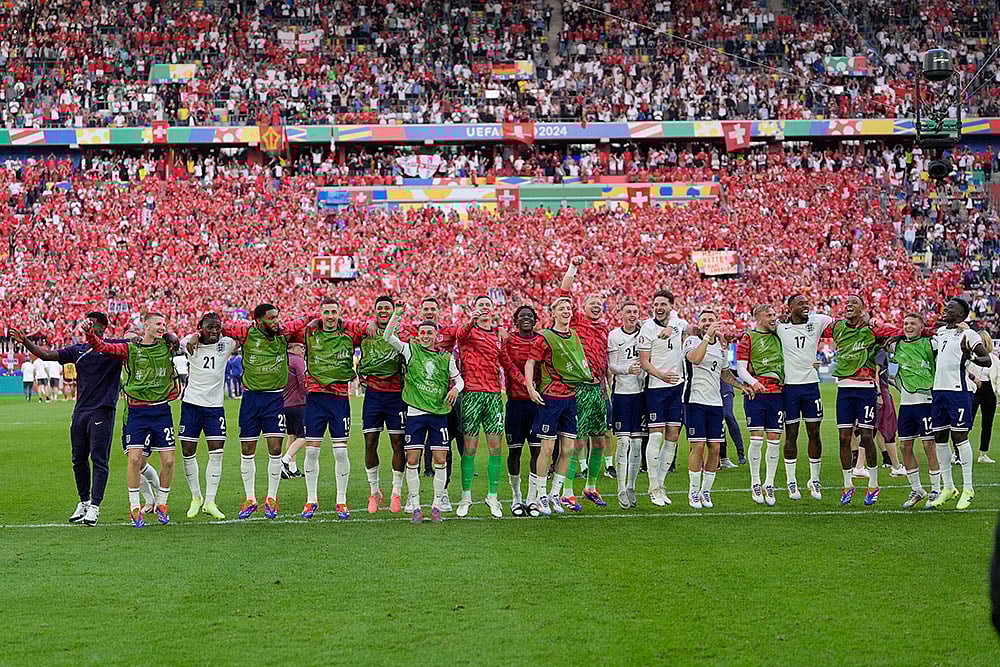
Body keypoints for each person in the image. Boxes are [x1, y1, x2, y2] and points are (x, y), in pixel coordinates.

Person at [10, 313, 131, 526]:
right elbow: (47, 355)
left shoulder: (114, 348)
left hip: (103, 409)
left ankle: (95, 506)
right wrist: (26, 342)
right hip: (81, 411)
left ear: (102, 327)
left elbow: (133, 344)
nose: (87, 326)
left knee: (99, 460)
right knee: (78, 459)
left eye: (92, 324)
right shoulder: (78, 350)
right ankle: (83, 502)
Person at [85, 312, 182, 528]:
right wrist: (89, 334)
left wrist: (173, 337)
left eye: (164, 324)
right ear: (146, 326)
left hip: (161, 411)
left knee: (168, 461)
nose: (162, 327)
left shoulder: (168, 346)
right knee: (135, 460)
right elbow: (102, 347)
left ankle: (162, 504)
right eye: (158, 324)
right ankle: (134, 507)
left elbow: (185, 342)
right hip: (137, 412)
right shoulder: (130, 349)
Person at [219, 304, 311, 520]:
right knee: (247, 448)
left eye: (277, 317)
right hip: (251, 398)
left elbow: (307, 320)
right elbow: (219, 327)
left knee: (275, 447)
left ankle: (271, 498)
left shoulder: (284, 333)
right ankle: (250, 498)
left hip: (274, 398)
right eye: (271, 318)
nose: (275, 321)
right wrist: (196, 335)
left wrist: (308, 319)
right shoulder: (246, 332)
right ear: (259, 320)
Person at [821, 295, 906, 506]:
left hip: (866, 388)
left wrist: (876, 322)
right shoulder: (838, 327)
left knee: (867, 436)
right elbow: (810, 329)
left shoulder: (872, 330)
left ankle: (874, 484)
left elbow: (899, 332)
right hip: (844, 390)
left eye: (854, 303)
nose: (849, 305)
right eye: (847, 303)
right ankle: (847, 484)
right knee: (843, 437)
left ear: (863, 309)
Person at [383, 304, 464, 523]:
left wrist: (456, 388)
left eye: (430, 333)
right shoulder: (411, 350)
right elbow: (388, 336)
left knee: (440, 459)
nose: (426, 336)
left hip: (439, 414)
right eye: (423, 333)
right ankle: (416, 504)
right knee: (412, 459)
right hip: (416, 414)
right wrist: (397, 314)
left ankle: (437, 505)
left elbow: (459, 380)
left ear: (437, 336)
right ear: (418, 336)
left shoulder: (446, 358)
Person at [525, 296, 593, 516]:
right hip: (550, 399)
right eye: (561, 308)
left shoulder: (574, 336)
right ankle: (541, 495)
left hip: (570, 398)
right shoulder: (544, 337)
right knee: (546, 449)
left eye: (568, 308)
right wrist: (530, 388)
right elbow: (530, 362)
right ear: (553, 313)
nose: (566, 311)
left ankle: (555, 494)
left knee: (568, 449)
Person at [299, 299, 366, 520]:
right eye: (326, 312)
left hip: (339, 398)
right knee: (311, 451)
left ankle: (341, 500)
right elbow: (285, 331)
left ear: (339, 313)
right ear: (320, 314)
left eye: (333, 312)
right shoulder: (309, 332)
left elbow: (370, 331)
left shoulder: (349, 333)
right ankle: (311, 500)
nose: (330, 316)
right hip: (315, 398)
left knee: (340, 451)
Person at [928, 298, 993, 510]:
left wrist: (970, 356)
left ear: (961, 315)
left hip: (958, 391)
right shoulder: (940, 332)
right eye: (946, 307)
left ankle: (968, 488)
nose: (946, 309)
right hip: (938, 391)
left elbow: (987, 360)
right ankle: (948, 487)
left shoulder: (969, 334)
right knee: (939, 437)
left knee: (959, 437)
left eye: (951, 308)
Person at [560, 256, 611, 508]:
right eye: (591, 302)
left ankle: (590, 486)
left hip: (597, 391)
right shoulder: (577, 321)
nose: (596, 306)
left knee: (599, 440)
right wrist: (574, 267)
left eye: (599, 303)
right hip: (579, 389)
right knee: (577, 441)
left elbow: (604, 360)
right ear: (583, 306)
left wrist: (605, 385)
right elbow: (564, 291)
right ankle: (567, 490)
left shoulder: (603, 329)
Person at [683, 309, 744, 508]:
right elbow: (695, 359)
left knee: (715, 448)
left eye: (711, 320)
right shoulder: (692, 341)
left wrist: (743, 386)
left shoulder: (720, 346)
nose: (707, 323)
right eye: (704, 320)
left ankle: (706, 492)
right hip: (694, 401)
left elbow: (724, 374)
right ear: (698, 323)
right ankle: (693, 492)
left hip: (715, 403)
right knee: (698, 446)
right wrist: (708, 336)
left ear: (717, 322)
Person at [178, 313, 235, 520]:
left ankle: (210, 501)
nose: (214, 331)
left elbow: (242, 334)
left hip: (215, 407)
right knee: (187, 450)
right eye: (209, 327)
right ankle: (196, 497)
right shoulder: (189, 343)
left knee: (217, 452)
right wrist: (194, 335)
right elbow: (179, 340)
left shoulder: (226, 344)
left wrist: (221, 330)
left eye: (217, 327)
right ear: (200, 327)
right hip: (192, 404)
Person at [777, 294, 833, 500]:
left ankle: (814, 479)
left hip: (811, 386)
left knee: (814, 433)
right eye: (800, 303)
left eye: (806, 302)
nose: (805, 305)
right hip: (790, 387)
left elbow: (840, 325)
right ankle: (791, 482)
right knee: (791, 434)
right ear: (790, 307)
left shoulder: (817, 321)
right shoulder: (779, 326)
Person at [455, 295, 505, 519]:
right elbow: (460, 335)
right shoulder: (467, 333)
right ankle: (466, 496)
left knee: (495, 448)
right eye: (480, 305)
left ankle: (492, 496)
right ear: (474, 309)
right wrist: (470, 321)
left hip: (494, 395)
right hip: (472, 394)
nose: (484, 308)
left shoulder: (498, 335)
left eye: (487, 305)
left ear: (493, 310)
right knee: (470, 448)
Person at [887, 313, 942, 509]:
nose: (908, 326)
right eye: (905, 323)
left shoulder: (931, 343)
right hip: (906, 405)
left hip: (926, 402)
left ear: (921, 326)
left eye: (913, 323)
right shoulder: (897, 345)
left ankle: (936, 489)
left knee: (929, 446)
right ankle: (917, 489)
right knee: (905, 447)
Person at [638, 290, 688, 506]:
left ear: (670, 306)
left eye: (663, 304)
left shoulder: (677, 323)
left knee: (673, 437)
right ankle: (652, 486)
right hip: (656, 387)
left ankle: (661, 484)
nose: (658, 307)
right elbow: (644, 361)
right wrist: (661, 375)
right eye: (655, 304)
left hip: (677, 388)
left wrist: (673, 323)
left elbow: (682, 323)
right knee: (656, 437)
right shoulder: (648, 328)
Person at [359, 296, 408, 514]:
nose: (383, 311)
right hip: (373, 395)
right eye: (379, 308)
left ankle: (396, 491)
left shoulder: (402, 332)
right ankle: (374, 491)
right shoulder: (365, 332)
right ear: (375, 311)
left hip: (396, 395)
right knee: (370, 442)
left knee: (398, 443)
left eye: (387, 308)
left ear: (392, 311)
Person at [410, 296, 459, 511]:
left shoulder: (450, 334)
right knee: (413, 452)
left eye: (433, 308)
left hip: (442, 403)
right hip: (418, 404)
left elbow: (467, 334)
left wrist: (498, 327)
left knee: (445, 450)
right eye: (426, 308)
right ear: (421, 312)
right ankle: (413, 498)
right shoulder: (412, 339)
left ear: (439, 312)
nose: (429, 312)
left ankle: (443, 494)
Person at [735, 304, 785, 506]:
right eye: (769, 315)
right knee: (756, 440)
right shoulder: (748, 337)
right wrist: (754, 383)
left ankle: (769, 483)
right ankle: (755, 482)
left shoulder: (780, 336)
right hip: (756, 394)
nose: (774, 318)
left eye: (774, 314)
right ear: (758, 318)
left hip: (778, 393)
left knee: (774, 439)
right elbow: (740, 367)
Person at [499, 305, 542, 517]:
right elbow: (507, 365)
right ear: (516, 321)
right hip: (516, 403)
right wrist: (527, 384)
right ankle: (516, 498)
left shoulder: (542, 341)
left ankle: (532, 499)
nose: (526, 319)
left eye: (530, 316)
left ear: (535, 320)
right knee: (514, 451)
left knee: (537, 451)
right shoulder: (509, 341)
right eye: (522, 316)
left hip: (537, 405)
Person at [607, 299, 645, 509]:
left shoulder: (644, 335)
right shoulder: (614, 336)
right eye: (628, 311)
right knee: (623, 442)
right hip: (622, 393)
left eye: (635, 311)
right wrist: (627, 370)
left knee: (638, 443)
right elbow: (611, 365)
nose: (632, 315)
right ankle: (620, 487)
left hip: (641, 394)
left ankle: (631, 486)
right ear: (621, 313)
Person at [969, 330, 998, 463]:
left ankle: (983, 454)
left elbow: (998, 378)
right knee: (967, 424)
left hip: (989, 392)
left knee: (987, 424)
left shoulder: (994, 360)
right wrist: (973, 380)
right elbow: (965, 372)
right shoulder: (971, 358)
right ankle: (958, 453)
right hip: (974, 390)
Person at [279, 343, 307, 479]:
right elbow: (302, 381)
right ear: (293, 347)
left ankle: (292, 468)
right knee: (305, 435)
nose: (303, 349)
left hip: (285, 403)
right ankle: (284, 460)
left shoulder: (283, 359)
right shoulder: (297, 360)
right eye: (301, 346)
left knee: (291, 435)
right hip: (298, 403)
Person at [719, 377, 745, 467]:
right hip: (710, 388)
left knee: (728, 415)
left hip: (725, 386)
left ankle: (740, 452)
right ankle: (723, 458)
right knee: (718, 421)